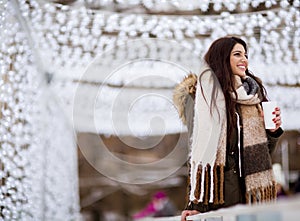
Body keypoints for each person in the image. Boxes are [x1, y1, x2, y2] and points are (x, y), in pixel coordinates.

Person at [172, 36, 283, 221]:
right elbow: (199, 155)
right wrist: (195, 206)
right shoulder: (202, 99)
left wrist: (271, 132)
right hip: (219, 199)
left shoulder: (251, 97)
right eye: (237, 54)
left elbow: (263, 154)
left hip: (251, 199)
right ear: (222, 58)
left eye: (246, 55)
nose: (244, 60)